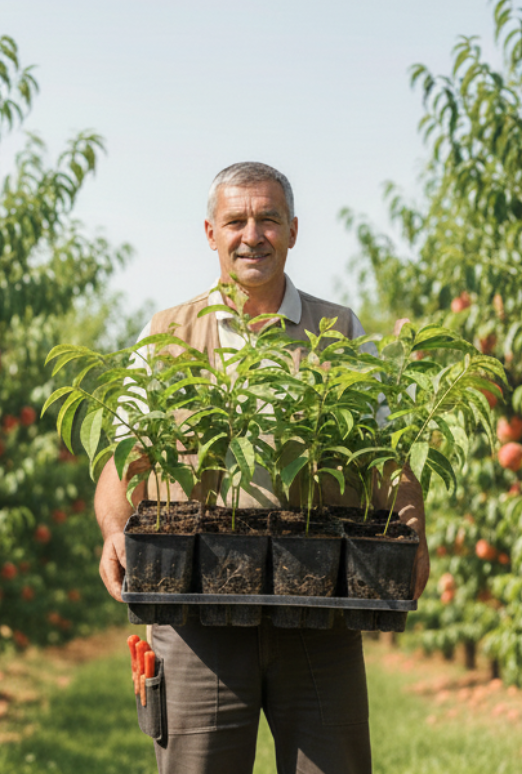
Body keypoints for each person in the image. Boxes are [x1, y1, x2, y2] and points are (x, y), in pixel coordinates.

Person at [94, 161, 429, 774]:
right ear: (210, 233)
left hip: (320, 603)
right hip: (196, 612)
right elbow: (126, 456)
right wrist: (116, 532)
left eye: (268, 219)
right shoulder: (168, 334)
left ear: (294, 231)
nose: (253, 235)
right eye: (236, 221)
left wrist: (414, 535)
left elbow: (390, 458)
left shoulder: (341, 331)